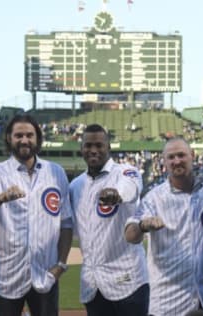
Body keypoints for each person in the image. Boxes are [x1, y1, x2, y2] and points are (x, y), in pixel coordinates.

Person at [0, 114, 73, 316]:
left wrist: (61, 266)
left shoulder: (56, 172)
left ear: (37, 138)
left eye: (29, 135)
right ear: (9, 139)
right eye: (18, 135)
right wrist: (2, 197)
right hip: (7, 277)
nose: (24, 140)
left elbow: (65, 223)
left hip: (45, 276)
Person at [124, 137, 203, 316]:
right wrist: (144, 225)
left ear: (192, 155)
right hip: (167, 304)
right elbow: (130, 235)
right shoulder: (154, 198)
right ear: (165, 162)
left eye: (181, 155)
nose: (177, 161)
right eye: (171, 157)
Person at [69, 124, 149, 316]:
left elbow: (130, 188)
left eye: (99, 145)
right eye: (88, 145)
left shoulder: (125, 172)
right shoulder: (75, 186)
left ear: (108, 148)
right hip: (93, 286)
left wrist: (117, 194)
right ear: (81, 149)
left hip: (128, 282)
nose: (93, 150)